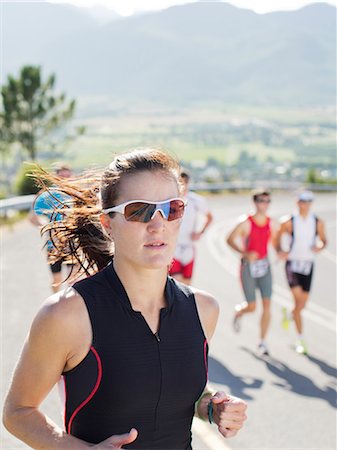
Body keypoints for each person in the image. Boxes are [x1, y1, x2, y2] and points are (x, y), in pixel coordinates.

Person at [3, 149, 247, 449]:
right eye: (139, 211)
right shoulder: (67, 314)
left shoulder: (203, 309)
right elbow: (18, 412)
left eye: (171, 208)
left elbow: (172, 387)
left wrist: (212, 406)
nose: (158, 225)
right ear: (108, 223)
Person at [274, 190, 327, 355]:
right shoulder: (288, 221)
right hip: (293, 264)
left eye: (308, 201)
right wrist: (280, 251)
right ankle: (300, 338)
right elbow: (275, 238)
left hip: (308, 264)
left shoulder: (317, 221)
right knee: (297, 301)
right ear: (297, 202)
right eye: (302, 201)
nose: (305, 204)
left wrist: (319, 246)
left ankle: (290, 315)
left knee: (302, 305)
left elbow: (324, 240)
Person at [226, 189, 275, 356]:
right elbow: (229, 239)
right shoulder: (246, 222)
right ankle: (240, 311)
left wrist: (283, 251)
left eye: (267, 201)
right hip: (248, 267)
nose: (265, 204)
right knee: (252, 307)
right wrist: (245, 253)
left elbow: (275, 241)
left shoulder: (271, 222)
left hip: (265, 266)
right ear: (255, 202)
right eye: (261, 200)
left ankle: (262, 341)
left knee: (267, 304)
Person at [29, 163, 74, 292]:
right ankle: (55, 305)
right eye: (62, 175)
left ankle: (72, 308)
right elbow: (32, 217)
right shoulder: (47, 195)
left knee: (74, 279)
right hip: (53, 245)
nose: (65, 178)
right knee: (57, 280)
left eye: (67, 175)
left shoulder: (75, 193)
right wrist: (46, 226)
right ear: (56, 177)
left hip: (72, 243)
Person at [169, 170, 213, 285]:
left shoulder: (196, 200)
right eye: (181, 182)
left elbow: (209, 217)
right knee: (176, 281)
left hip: (189, 246)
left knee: (187, 284)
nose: (184, 185)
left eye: (186, 182)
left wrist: (200, 232)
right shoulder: (170, 200)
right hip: (174, 247)